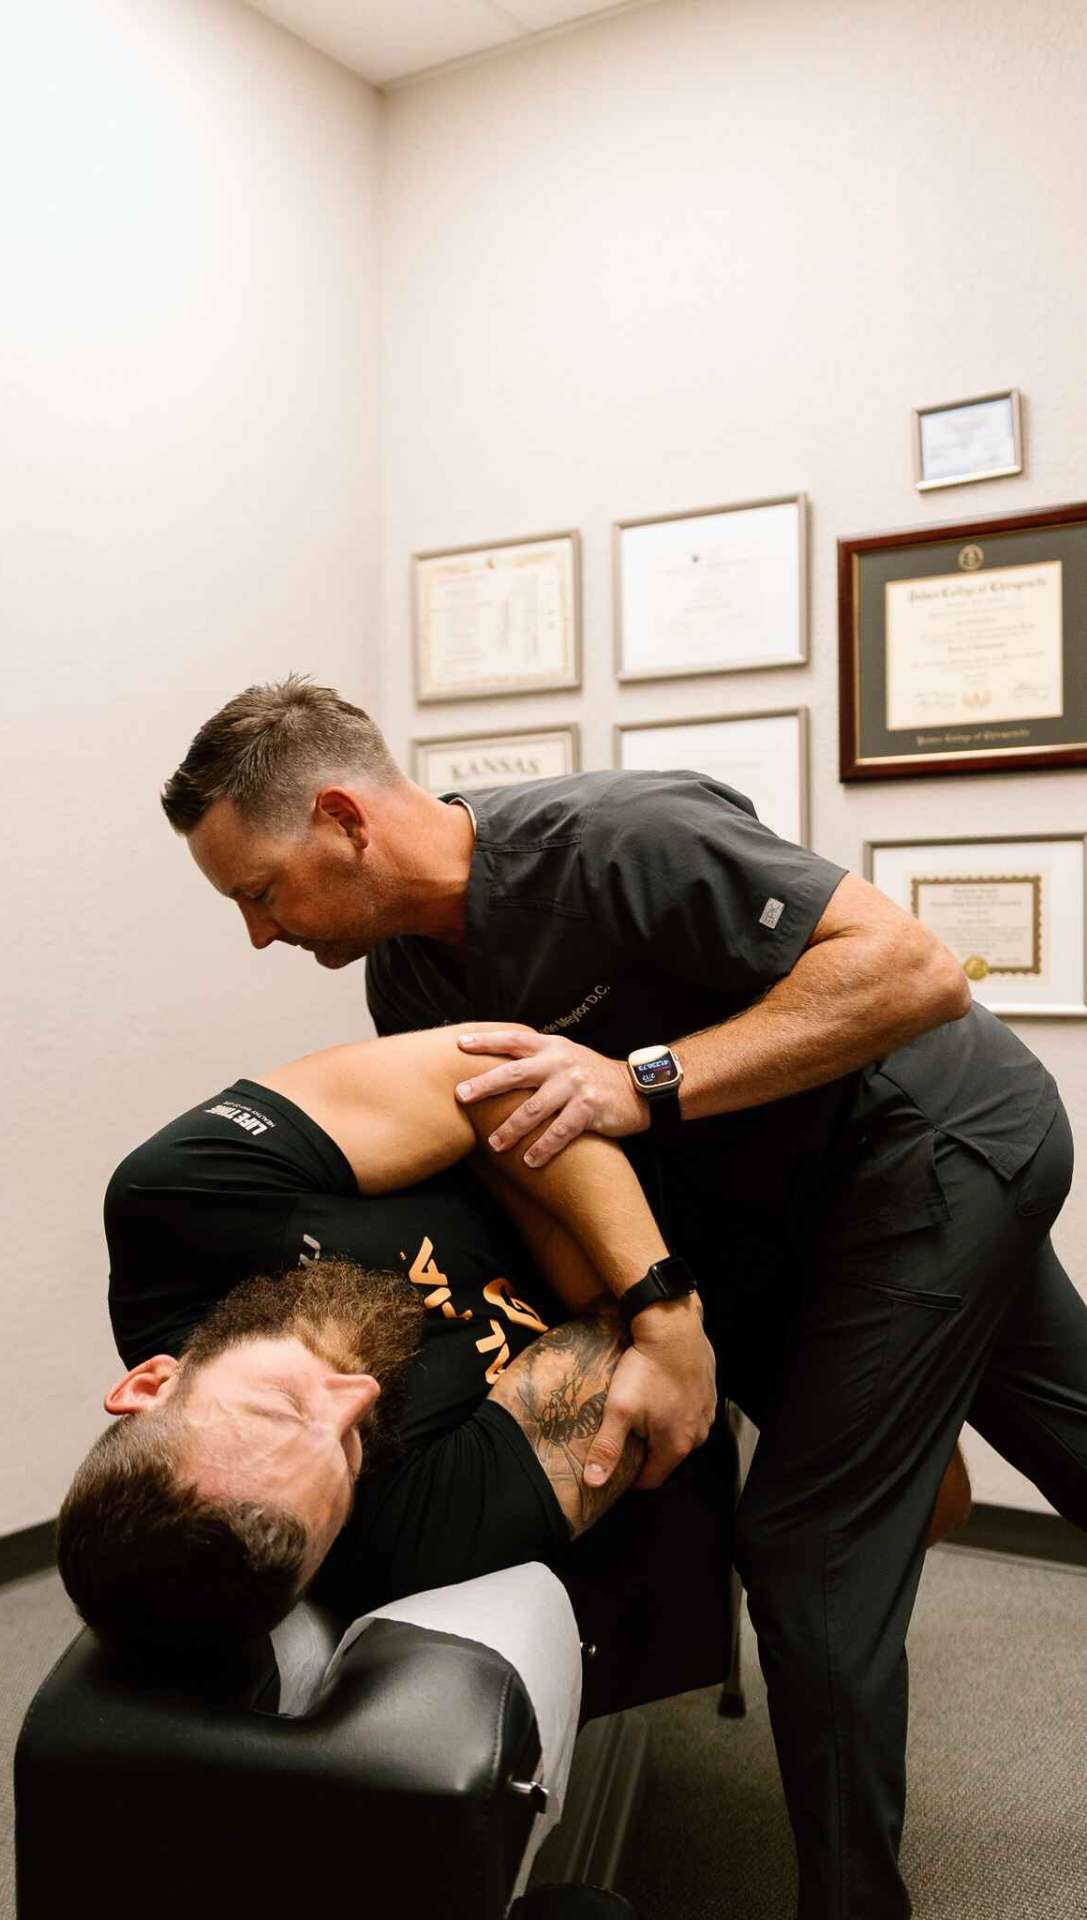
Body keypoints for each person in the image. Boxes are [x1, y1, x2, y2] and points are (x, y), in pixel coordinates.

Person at [161, 677, 1085, 1920]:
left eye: (260, 892)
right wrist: (641, 1318)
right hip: (786, 1219)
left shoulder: (618, 838)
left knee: (806, 1551)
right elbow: (531, 1159)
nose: (261, 934)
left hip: (932, 1143)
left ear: (341, 816)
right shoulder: (409, 985)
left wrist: (643, 1078)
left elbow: (912, 971)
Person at [57, 1020, 967, 1674]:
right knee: (929, 1502)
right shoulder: (399, 1538)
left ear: (149, 1382)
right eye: (344, 1454)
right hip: (759, 1253)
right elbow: (649, 1384)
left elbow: (502, 1068)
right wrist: (522, 1178)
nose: (357, 1404)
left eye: (285, 1405)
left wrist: (637, 1301)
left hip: (711, 1092)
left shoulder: (177, 1205)